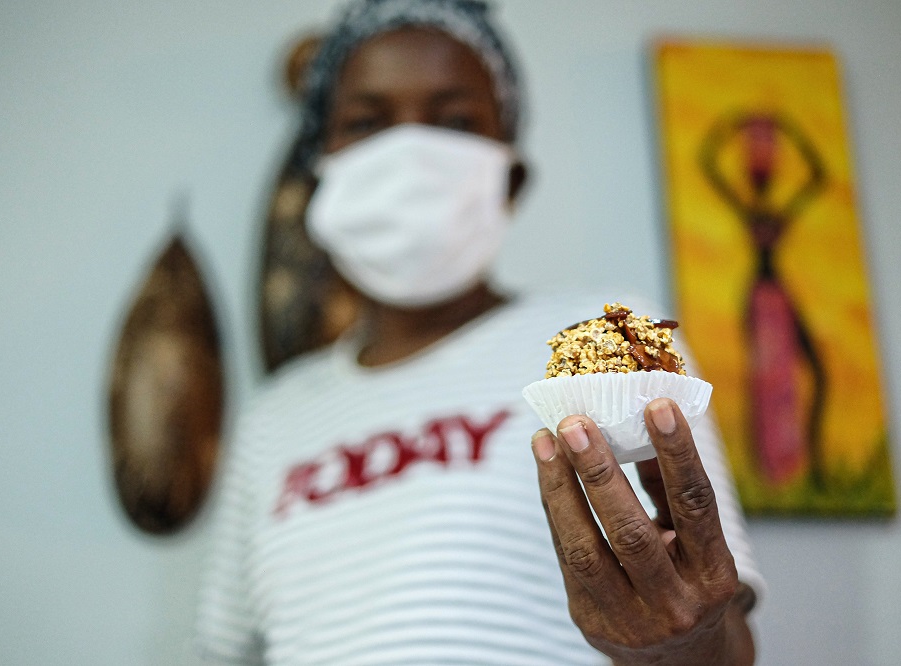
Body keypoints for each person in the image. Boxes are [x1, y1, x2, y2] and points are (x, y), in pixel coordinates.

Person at [197, 1, 764, 663]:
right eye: (365, 121)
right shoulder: (273, 417)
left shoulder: (605, 347)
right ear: (318, 169)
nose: (407, 152)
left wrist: (685, 643)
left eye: (456, 120)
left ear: (510, 176)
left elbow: (717, 631)